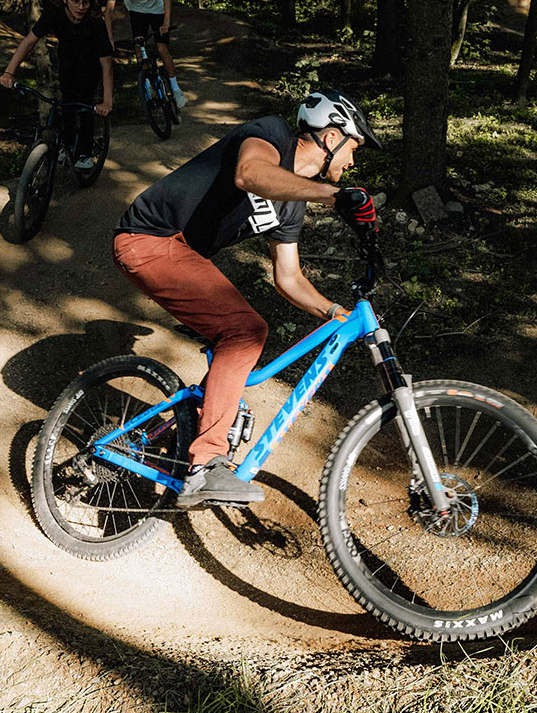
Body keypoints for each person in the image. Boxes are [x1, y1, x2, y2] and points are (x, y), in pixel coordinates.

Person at [112, 88, 382, 506]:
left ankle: (183, 434)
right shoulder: (270, 134)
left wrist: (334, 313)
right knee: (245, 330)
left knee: (236, 342)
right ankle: (205, 465)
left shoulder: (292, 204)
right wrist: (334, 197)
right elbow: (249, 174)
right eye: (354, 147)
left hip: (180, 253)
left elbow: (289, 278)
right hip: (151, 238)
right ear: (331, 138)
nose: (354, 160)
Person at [0, 0, 114, 172]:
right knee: (66, 105)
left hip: (90, 68)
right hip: (67, 64)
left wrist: (107, 101)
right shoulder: (54, 14)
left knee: (85, 106)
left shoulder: (96, 23)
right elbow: (28, 42)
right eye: (76, 1)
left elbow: (107, 65)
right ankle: (68, 145)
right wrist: (9, 72)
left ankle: (85, 153)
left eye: (85, 2)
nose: (81, 7)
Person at [104, 0, 186, 108]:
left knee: (162, 49)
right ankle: (148, 85)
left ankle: (175, 87)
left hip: (157, 10)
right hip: (136, 12)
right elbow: (108, 11)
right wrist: (109, 38)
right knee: (139, 47)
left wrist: (166, 23)